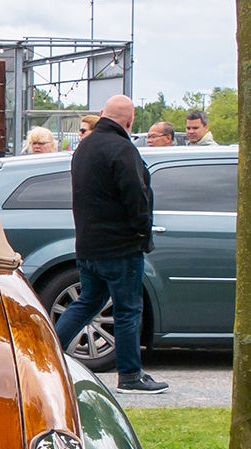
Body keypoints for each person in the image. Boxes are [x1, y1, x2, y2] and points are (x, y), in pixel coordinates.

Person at [52, 94, 168, 395]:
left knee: (87, 301)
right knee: (128, 309)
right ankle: (130, 375)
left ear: (103, 114)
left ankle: (48, 355)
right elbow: (136, 196)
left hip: (88, 244)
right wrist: (142, 232)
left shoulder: (84, 148)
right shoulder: (122, 149)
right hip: (121, 246)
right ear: (129, 121)